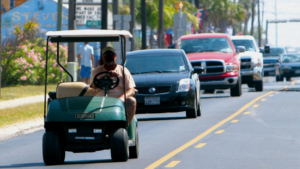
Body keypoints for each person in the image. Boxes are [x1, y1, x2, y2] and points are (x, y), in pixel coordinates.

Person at [90, 46, 136, 125]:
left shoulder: (123, 70)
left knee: (132, 101)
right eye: (106, 55)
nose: (109, 57)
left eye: (111, 55)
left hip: (119, 99)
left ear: (115, 56)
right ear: (102, 57)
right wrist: (106, 76)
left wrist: (121, 99)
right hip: (100, 100)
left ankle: (125, 126)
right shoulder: (97, 71)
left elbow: (132, 90)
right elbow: (92, 86)